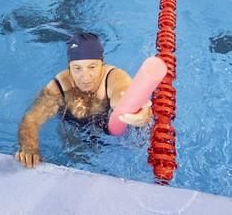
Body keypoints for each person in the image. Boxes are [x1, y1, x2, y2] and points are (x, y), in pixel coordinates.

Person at [15, 32, 153, 168]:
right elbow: (31, 119)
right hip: (73, 125)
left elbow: (123, 93)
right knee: (75, 158)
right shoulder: (60, 86)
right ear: (69, 68)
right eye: (77, 68)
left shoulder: (114, 77)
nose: (85, 77)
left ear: (102, 64)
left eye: (92, 67)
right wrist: (29, 147)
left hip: (109, 127)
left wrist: (135, 109)